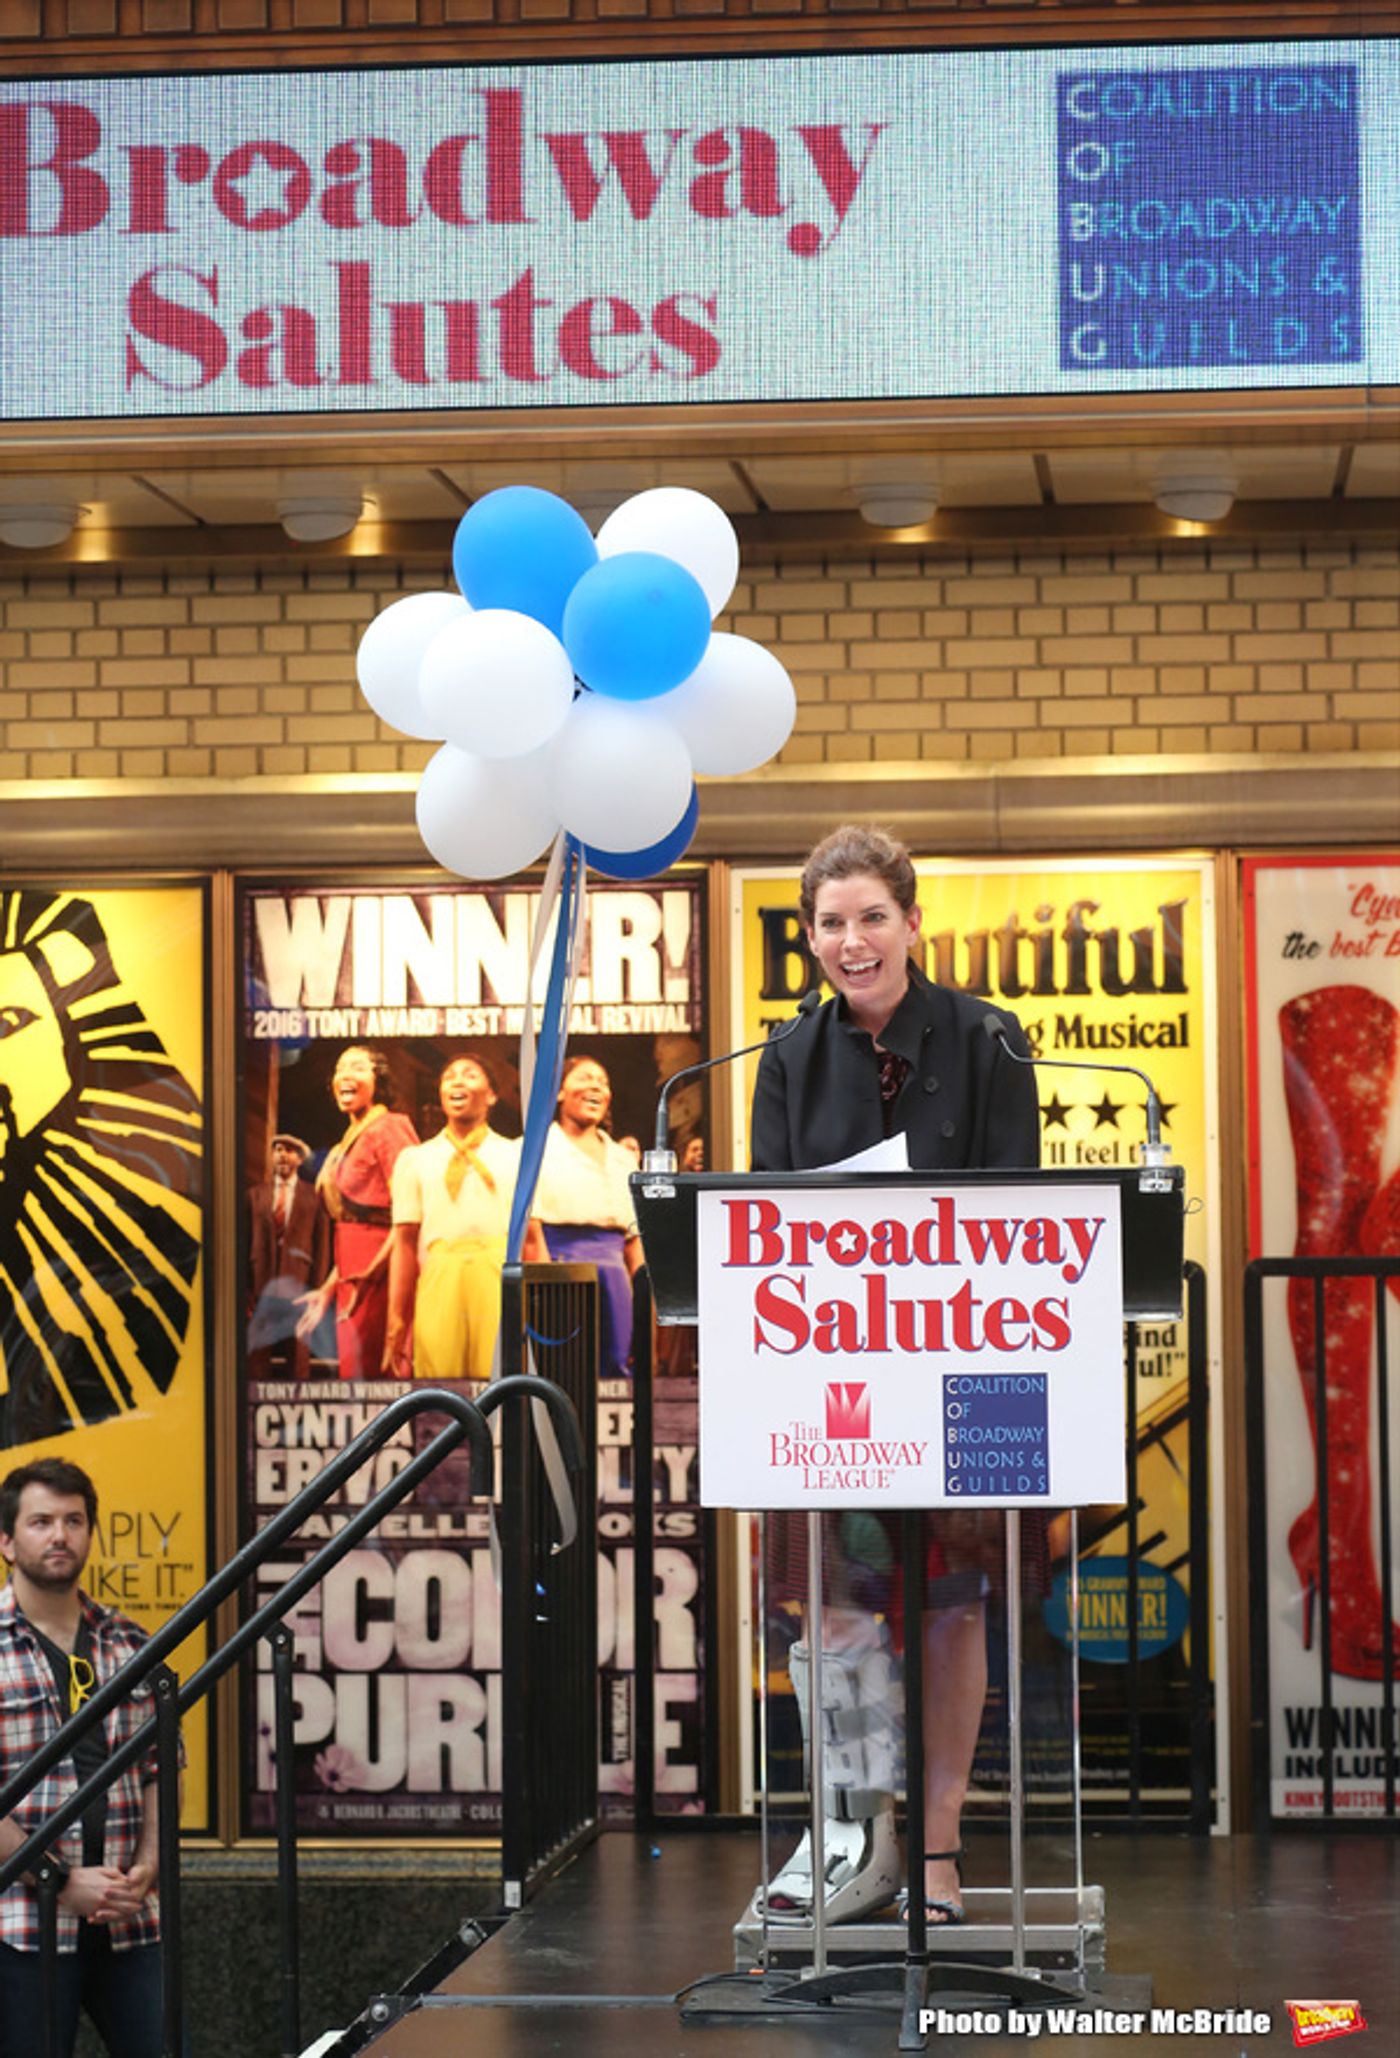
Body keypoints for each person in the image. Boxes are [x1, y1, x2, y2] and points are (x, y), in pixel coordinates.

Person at [751, 824, 1040, 1929]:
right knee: (834, 1611)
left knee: (954, 1612)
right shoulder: (784, 1058)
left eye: (871, 916)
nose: (850, 940)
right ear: (810, 938)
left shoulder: (988, 1041)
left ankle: (936, 1851)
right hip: (830, 1378)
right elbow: (759, 1223)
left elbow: (1020, 1210)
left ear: (912, 924)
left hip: (969, 1369)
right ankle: (857, 1836)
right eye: (829, 923)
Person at [0, 1458, 175, 2058]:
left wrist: (151, 1866)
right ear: (7, 1541)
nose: (59, 1536)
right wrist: (61, 1881)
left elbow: (160, 1767)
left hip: (129, 1919)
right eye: (41, 1521)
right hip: (23, 1925)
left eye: (74, 1520)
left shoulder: (130, 1643)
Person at [386, 1055, 545, 1383]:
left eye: (470, 1075)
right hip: (440, 1273)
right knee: (439, 1383)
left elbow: (532, 1239)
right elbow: (403, 1244)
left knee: (502, 1379)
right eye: (449, 1077)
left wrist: (542, 1311)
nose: (458, 1081)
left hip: (499, 1275)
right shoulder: (416, 1159)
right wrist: (396, 1321)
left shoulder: (517, 1154)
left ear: (491, 1095)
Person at [296, 1047, 418, 1382]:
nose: (345, 1075)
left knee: (378, 1372)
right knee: (355, 1373)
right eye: (340, 1068)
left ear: (377, 1081)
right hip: (353, 1270)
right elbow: (350, 1225)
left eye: (357, 1067)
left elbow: (410, 1212)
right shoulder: (351, 1136)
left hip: (383, 1270)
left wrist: (372, 1274)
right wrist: (328, 1288)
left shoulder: (389, 1128)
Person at [533, 1056, 643, 1383]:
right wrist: (544, 1294)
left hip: (616, 1275)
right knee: (563, 1369)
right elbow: (531, 1233)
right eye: (584, 1077)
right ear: (559, 1092)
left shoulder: (624, 1159)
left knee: (617, 1370)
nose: (595, 1085)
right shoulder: (535, 1150)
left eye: (603, 1081)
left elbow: (634, 1240)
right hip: (560, 1267)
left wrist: (642, 1296)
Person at [247, 1132, 329, 1378]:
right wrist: (246, 1289)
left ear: (300, 1158)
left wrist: (319, 1287)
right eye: (278, 1149)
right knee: (258, 1351)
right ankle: (256, 1407)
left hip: (299, 1284)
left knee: (298, 1351)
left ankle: (297, 1403)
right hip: (262, 1283)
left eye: (289, 1150)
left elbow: (322, 1244)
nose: (282, 1155)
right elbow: (244, 1243)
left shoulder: (313, 1197)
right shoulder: (254, 1195)